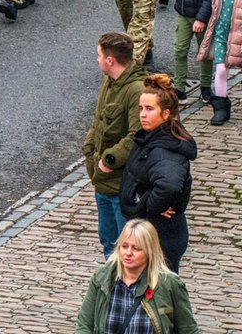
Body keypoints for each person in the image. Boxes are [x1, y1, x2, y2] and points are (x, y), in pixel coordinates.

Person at [119, 74, 197, 273]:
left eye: (149, 109)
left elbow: (169, 186)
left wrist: (148, 205)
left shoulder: (166, 150)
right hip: (149, 234)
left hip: (160, 238)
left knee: (157, 299)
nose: (143, 114)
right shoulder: (150, 138)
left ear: (166, 114)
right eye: (141, 108)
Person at [75, 219, 201, 334]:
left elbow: (189, 330)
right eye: (124, 246)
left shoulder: (169, 284)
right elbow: (84, 325)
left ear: (150, 251)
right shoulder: (102, 278)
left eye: (136, 248)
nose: (128, 253)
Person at [83, 32, 146, 259]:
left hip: (121, 187)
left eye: (99, 55)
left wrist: (110, 159)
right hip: (102, 182)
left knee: (126, 247)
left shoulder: (135, 90)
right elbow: (98, 119)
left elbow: (137, 135)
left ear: (110, 60)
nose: (97, 59)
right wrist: (89, 150)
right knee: (108, 243)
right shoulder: (108, 82)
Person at [197, 0, 242, 125]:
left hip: (239, 35)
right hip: (222, 32)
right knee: (221, 69)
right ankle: (221, 107)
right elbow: (215, 6)